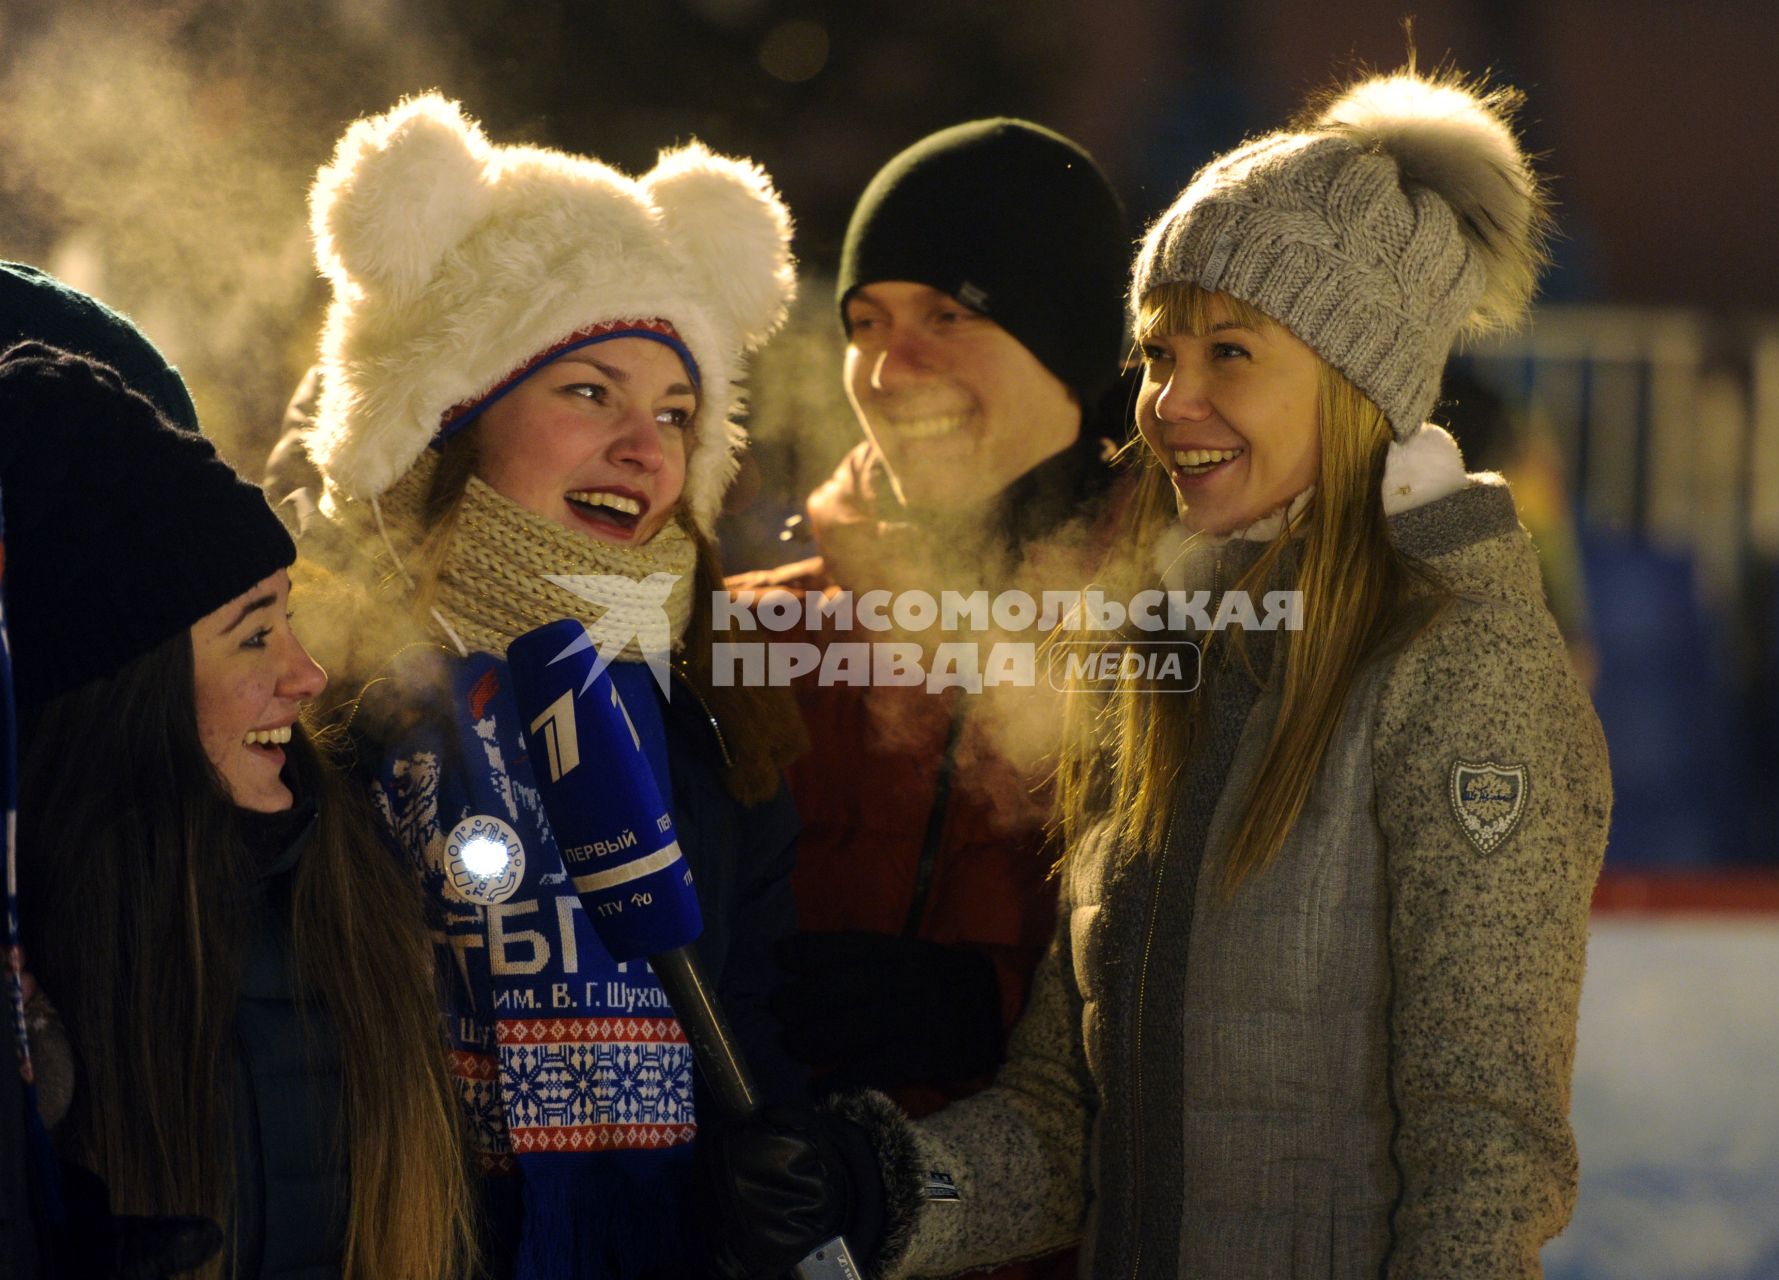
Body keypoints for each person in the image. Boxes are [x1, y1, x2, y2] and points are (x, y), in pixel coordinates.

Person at [703, 68, 1613, 1279]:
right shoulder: (1160, 658)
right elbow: (1073, 1121)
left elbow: (1483, 1155)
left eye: (1228, 351)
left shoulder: (1455, 666)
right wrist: (878, 1180)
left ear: (1357, 381)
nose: (1168, 403)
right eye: (1155, 353)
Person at [295, 94, 803, 1278]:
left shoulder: (719, 711)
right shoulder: (323, 687)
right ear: (450, 420)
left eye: (677, 412)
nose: (645, 444)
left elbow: (759, 1016)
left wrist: (795, 1168)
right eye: (589, 391)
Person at [1, 342, 475, 1280]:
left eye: (290, 621)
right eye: (254, 635)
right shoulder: (38, 981)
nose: (308, 675)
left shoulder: (355, 891)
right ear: (122, 694)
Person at [726, 121, 1130, 1210]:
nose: (887, 367)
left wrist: (993, 1006)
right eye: (865, 322)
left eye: (947, 313)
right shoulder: (749, 635)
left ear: (1066, 338)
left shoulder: (1176, 634)